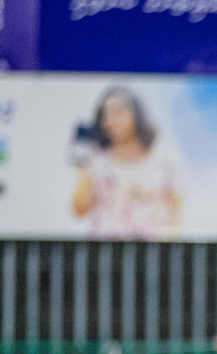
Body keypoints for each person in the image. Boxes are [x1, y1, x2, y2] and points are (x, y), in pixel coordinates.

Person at [70, 86, 181, 239]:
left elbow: (177, 209)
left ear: (136, 114)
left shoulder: (162, 157)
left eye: (119, 112)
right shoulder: (97, 159)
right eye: (106, 114)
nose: (111, 120)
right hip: (106, 251)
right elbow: (80, 210)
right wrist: (82, 167)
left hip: (153, 250)